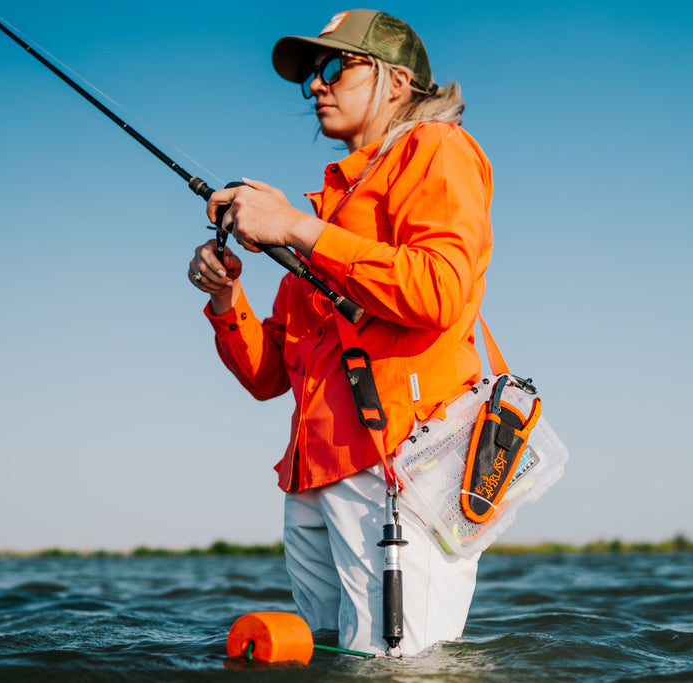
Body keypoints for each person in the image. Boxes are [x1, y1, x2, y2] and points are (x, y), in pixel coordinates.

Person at [187, 9, 493, 657]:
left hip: (401, 464)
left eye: (334, 67)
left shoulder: (435, 149)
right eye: (310, 77)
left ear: (397, 81)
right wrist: (225, 296)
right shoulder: (328, 208)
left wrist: (295, 229)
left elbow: (439, 290)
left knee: (400, 667)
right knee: (334, 657)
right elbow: (269, 376)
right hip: (313, 474)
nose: (317, 86)